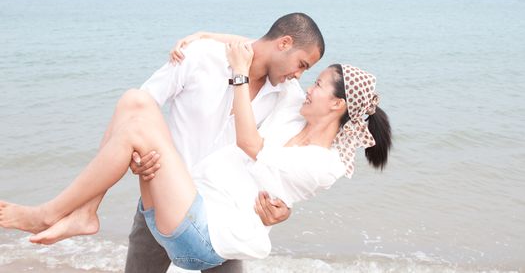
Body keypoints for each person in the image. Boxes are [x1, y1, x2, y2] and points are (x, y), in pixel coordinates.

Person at [0, 38, 392, 270]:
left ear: (338, 105)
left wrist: (239, 76)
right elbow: (266, 48)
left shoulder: (326, 164)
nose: (305, 83)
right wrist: (203, 36)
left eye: (318, 81)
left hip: (210, 232)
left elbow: (252, 146)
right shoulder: (294, 111)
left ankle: (49, 213)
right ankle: (84, 212)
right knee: (134, 100)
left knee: (138, 121)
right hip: (179, 197)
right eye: (306, 71)